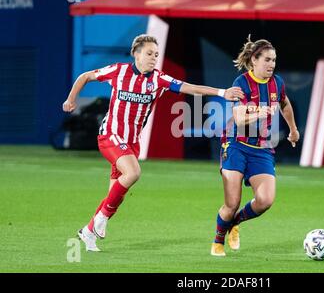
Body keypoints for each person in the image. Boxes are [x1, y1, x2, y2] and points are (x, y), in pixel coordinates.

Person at [62, 34, 244, 252]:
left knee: (116, 193)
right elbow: (85, 76)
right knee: (133, 173)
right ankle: (100, 220)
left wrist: (222, 92)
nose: (153, 58)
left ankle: (89, 231)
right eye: (149, 53)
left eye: (156, 55)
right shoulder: (118, 71)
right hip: (110, 135)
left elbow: (190, 88)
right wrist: (71, 99)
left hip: (131, 143)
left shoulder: (158, 79)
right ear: (136, 54)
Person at [210, 36, 300, 257]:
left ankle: (235, 223)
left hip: (261, 148)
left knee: (266, 200)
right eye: (267, 60)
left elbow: (284, 103)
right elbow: (239, 119)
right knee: (231, 203)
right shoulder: (240, 83)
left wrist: (293, 129)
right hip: (235, 144)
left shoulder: (277, 82)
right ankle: (218, 242)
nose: (271, 64)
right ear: (254, 60)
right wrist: (259, 112)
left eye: (274, 60)